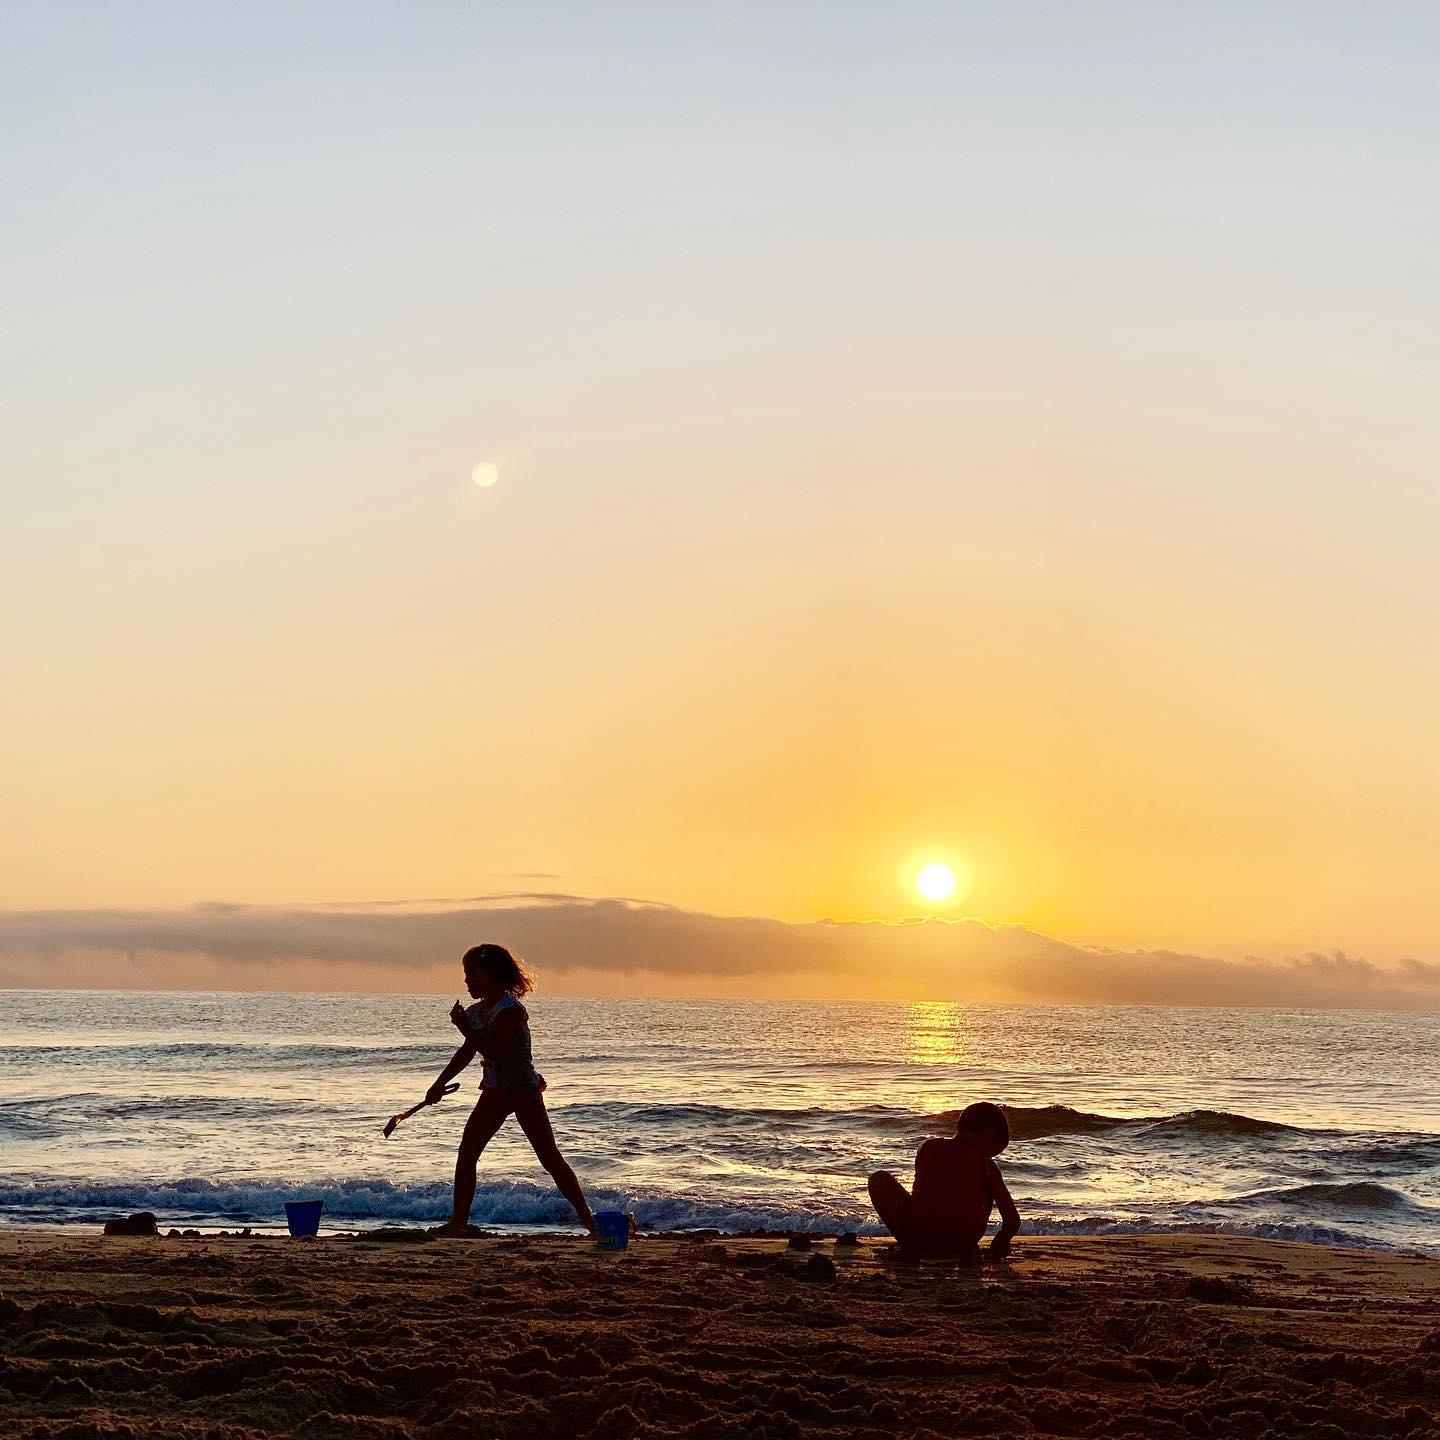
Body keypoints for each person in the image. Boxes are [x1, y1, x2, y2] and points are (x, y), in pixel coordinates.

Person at [427, 943, 596, 1238]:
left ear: (491, 975)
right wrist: (439, 1084)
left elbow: (497, 1050)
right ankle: (459, 1222)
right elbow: (467, 1052)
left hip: (522, 1091)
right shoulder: (477, 1013)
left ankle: (591, 1222)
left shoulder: (511, 1011)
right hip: (494, 1091)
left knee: (549, 1158)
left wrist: (465, 1028)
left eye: (472, 974)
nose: (467, 981)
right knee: (467, 1153)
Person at [867, 1100, 1020, 1261]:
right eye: (991, 1152)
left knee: (878, 1179)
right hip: (963, 1239)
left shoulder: (927, 1147)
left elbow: (924, 1192)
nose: (989, 1157)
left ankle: (909, 1245)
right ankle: (962, 1247)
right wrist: (1002, 1241)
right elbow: (1012, 1220)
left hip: (920, 1233)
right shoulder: (986, 1166)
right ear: (987, 1135)